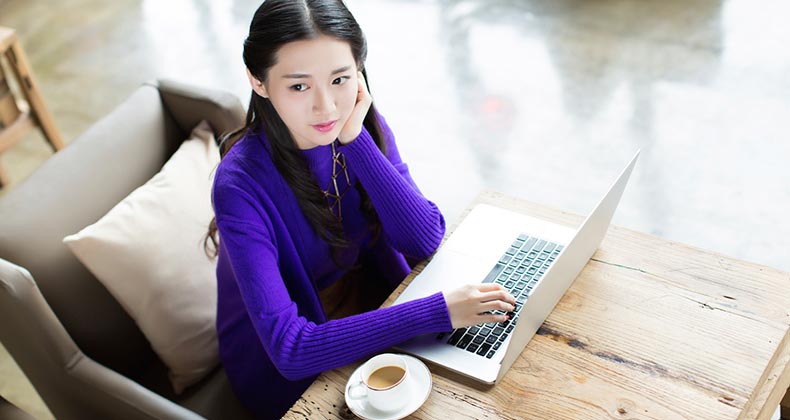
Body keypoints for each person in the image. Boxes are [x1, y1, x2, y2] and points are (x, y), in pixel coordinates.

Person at [204, 0, 517, 417]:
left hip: (369, 306)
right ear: (258, 82)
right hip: (287, 368)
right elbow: (290, 349)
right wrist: (436, 311)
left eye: (340, 79)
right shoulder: (238, 184)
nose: (327, 108)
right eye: (299, 86)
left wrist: (357, 141)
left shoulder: (357, 123)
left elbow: (424, 239)